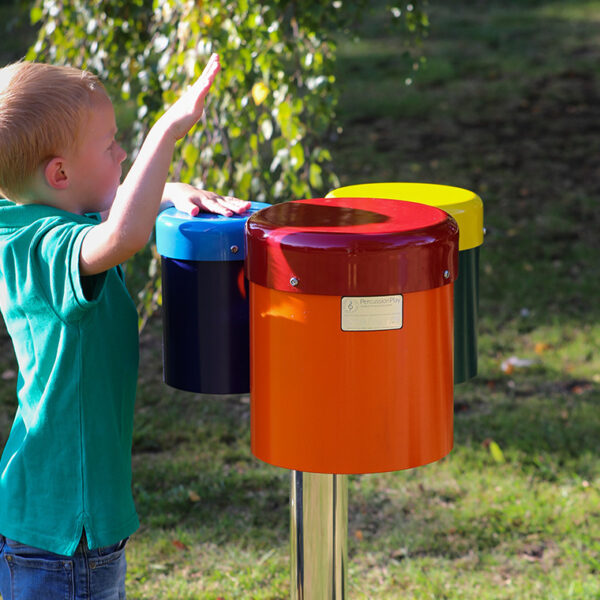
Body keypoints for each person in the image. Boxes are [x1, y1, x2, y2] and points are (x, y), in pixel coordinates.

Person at [0, 54, 249, 599]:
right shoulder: (43, 245)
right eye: (111, 145)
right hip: (67, 532)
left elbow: (112, 211)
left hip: (58, 521)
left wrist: (166, 190)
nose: (122, 154)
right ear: (59, 174)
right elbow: (120, 237)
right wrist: (166, 132)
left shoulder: (36, 213)